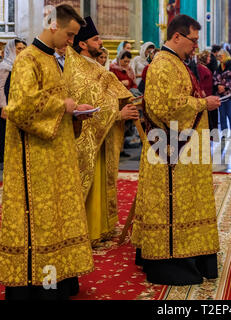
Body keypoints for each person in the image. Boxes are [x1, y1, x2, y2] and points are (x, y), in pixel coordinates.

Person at [0, 4, 95, 300]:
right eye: (69, 34)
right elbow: (20, 107)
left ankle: (60, 279)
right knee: (39, 219)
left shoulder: (53, 60)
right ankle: (36, 285)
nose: (71, 41)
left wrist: (75, 112)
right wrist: (62, 106)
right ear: (54, 25)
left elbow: (55, 101)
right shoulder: (28, 60)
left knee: (58, 217)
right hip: (34, 158)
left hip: (58, 153)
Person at [131, 14, 221, 286]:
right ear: (177, 36)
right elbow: (163, 107)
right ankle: (171, 262)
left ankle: (193, 253)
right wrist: (202, 105)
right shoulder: (162, 64)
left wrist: (200, 102)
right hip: (171, 151)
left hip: (186, 149)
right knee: (173, 205)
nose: (196, 45)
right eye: (193, 40)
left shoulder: (177, 63)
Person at [68, 16, 139, 247]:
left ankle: (102, 227)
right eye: (96, 39)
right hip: (84, 135)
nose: (101, 43)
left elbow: (112, 95)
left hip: (102, 134)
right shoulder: (75, 69)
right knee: (87, 184)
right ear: (82, 44)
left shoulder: (95, 68)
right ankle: (84, 232)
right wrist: (117, 114)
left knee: (101, 181)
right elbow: (85, 103)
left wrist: (132, 104)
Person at [0, 39, 27, 163]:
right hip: (9, 103)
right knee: (8, 135)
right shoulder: (5, 65)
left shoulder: (24, 64)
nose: (22, 51)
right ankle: (8, 162)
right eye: (19, 48)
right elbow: (0, 87)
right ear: (11, 49)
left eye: (24, 48)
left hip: (21, 103)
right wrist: (3, 106)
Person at [213, 49, 231, 139]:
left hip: (230, 93)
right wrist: (218, 86)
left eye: (221, 56)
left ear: (226, 55)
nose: (219, 58)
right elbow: (215, 77)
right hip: (220, 94)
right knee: (222, 114)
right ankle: (224, 132)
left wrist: (224, 87)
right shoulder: (219, 66)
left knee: (230, 113)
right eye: (218, 56)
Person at [197, 50, 217, 131]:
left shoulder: (204, 67)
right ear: (204, 58)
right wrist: (202, 90)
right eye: (208, 57)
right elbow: (199, 80)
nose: (210, 59)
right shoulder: (200, 68)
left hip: (209, 92)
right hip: (205, 94)